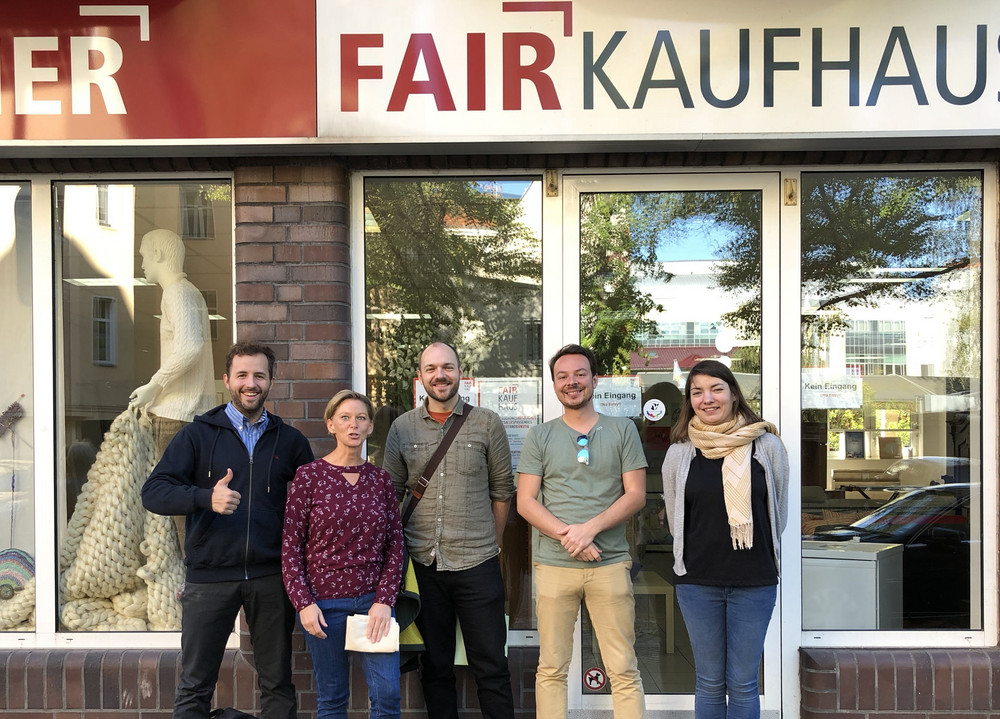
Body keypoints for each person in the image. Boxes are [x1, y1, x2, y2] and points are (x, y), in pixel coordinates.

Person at [141, 341, 314, 719]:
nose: (250, 383)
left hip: (270, 577)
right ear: (227, 380)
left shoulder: (291, 442)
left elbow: (311, 510)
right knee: (195, 684)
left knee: (278, 683)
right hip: (209, 577)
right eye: (242, 375)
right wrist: (206, 498)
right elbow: (154, 493)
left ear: (271, 381)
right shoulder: (198, 435)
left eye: (259, 375)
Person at [382, 341, 515, 719]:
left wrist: (494, 543)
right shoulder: (401, 427)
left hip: (478, 563)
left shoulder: (487, 422)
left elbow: (502, 489)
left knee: (491, 666)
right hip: (422, 564)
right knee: (436, 668)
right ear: (420, 376)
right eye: (431, 369)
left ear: (460, 372)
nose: (439, 375)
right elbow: (390, 492)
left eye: (447, 367)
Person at [516, 344, 647, 719]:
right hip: (553, 567)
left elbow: (636, 494)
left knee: (622, 668)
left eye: (579, 374)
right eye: (562, 376)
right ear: (554, 384)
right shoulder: (539, 436)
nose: (571, 382)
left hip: (609, 565)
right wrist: (569, 537)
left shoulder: (622, 430)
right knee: (552, 668)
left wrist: (589, 530)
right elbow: (526, 501)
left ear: (594, 378)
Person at [660, 360, 789, 719]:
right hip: (697, 582)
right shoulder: (680, 452)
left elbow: (777, 511)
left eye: (716, 388)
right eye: (697, 391)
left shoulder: (767, 446)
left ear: (733, 394)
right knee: (710, 683)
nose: (708, 398)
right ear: (690, 400)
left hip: (754, 581)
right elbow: (675, 518)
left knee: (744, 683)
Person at [282, 390, 404, 719]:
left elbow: (395, 545)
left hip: (372, 604)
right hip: (322, 606)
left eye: (361, 418)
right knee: (333, 698)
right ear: (331, 425)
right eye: (345, 418)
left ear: (369, 427)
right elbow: (291, 548)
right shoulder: (308, 477)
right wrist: (303, 603)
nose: (353, 424)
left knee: (387, 695)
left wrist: (385, 600)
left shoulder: (380, 480)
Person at [129, 228, 217, 549]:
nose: (140, 263)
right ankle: (191, 580)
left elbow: (190, 347)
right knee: (190, 507)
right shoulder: (189, 293)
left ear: (159, 255)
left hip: (176, 416)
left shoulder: (177, 293)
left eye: (143, 255)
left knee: (177, 509)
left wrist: (155, 385)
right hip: (191, 415)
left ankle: (187, 583)